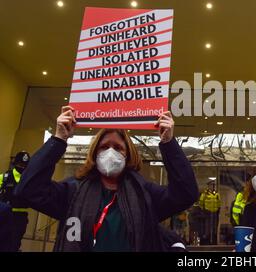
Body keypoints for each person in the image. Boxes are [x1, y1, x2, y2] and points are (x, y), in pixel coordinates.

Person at [14, 106, 199, 251]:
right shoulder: (72, 192)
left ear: (128, 156)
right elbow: (29, 190)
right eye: (104, 147)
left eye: (118, 148)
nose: (111, 152)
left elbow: (186, 194)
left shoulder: (145, 194)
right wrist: (59, 139)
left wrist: (168, 144)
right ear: (94, 154)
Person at [0, 151, 31, 251]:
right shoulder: (4, 178)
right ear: (15, 163)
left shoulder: (29, 180)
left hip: (20, 218)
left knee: (14, 245)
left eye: (24, 165)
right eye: (20, 164)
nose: (22, 167)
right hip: (3, 215)